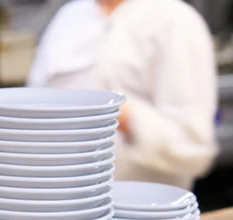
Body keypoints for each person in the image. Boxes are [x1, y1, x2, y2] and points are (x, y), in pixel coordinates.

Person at [27, 0, 218, 190]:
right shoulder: (69, 15)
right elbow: (33, 100)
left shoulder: (177, 21)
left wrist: (122, 116)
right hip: (57, 202)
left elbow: (194, 150)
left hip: (140, 210)